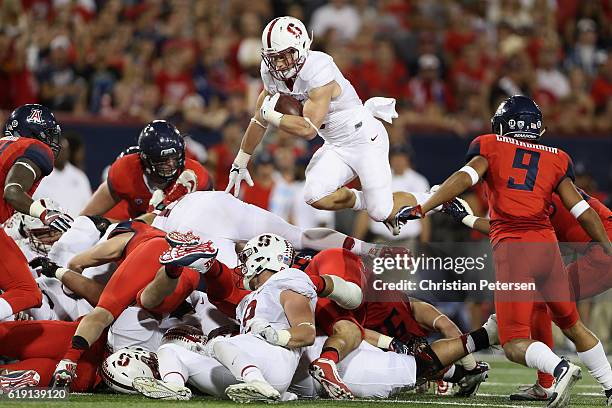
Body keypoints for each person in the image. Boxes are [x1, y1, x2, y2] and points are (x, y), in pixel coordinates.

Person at [399, 95, 612, 407]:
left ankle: (556, 370)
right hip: (550, 246)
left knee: (514, 342)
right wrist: (467, 217)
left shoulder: (491, 146)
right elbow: (581, 211)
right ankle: (605, 387)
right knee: (570, 323)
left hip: (522, 250)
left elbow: (466, 177)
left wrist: (424, 207)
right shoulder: (555, 159)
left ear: (501, 125)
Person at [225, 16, 415, 236]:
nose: (277, 64)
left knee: (381, 212)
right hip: (335, 143)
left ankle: (433, 199)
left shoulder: (318, 68)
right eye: (273, 58)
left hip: (364, 138)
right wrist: (240, 161)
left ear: (302, 47)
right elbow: (259, 119)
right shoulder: (271, 72)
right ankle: (369, 200)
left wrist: (274, 116)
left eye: (284, 56)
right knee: (314, 195)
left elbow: (307, 129)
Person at [132, 233, 318, 403]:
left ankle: (258, 385)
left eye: (246, 258)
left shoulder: (287, 281)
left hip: (275, 362)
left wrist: (273, 335)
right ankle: (174, 387)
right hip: (244, 371)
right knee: (169, 350)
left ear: (262, 258)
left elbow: (307, 333)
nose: (243, 266)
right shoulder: (250, 299)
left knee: (218, 343)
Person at [1, 104, 73, 321]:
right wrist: (45, 214)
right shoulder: (34, 148)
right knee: (26, 291)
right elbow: (12, 192)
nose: (53, 142)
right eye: (49, 134)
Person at [80, 120, 211, 219]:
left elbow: (211, 219)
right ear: (145, 159)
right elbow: (86, 216)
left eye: (174, 157)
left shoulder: (195, 174)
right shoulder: (126, 170)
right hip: (138, 235)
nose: (171, 164)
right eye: (163, 159)